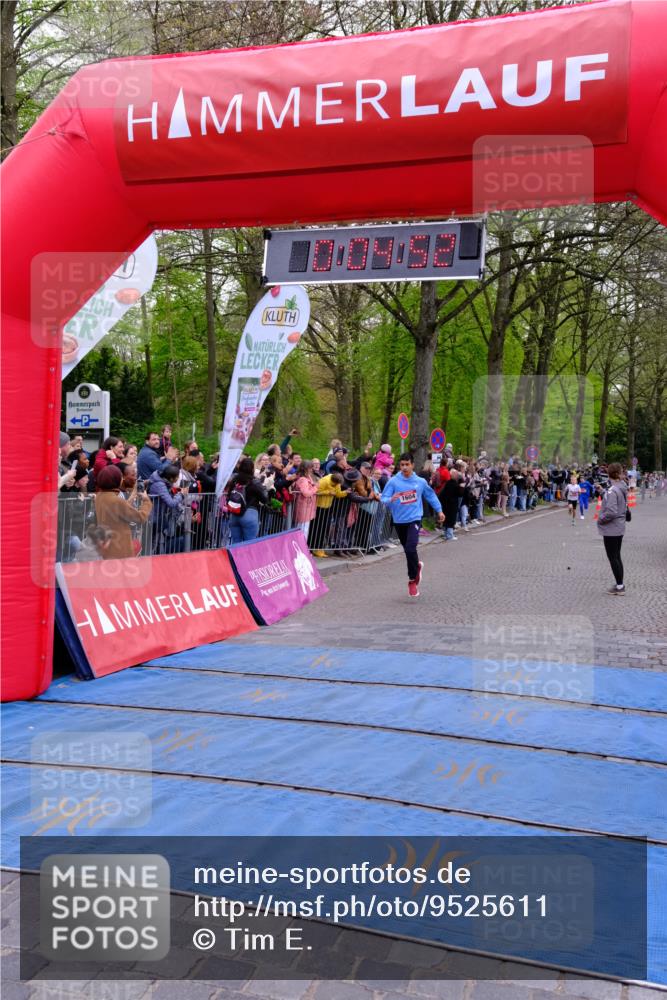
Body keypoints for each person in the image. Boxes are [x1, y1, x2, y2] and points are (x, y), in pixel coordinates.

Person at [381, 452, 444, 598]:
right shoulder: (393, 481)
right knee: (408, 551)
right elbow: (383, 498)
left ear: (412, 465)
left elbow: (430, 495)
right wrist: (390, 499)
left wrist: (439, 510)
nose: (404, 467)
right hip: (399, 520)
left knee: (411, 547)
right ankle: (417, 566)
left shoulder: (420, 482)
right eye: (402, 465)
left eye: (407, 464)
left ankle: (412, 580)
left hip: (414, 519)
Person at [94, 465, 153, 559]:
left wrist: (133, 494)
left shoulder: (100, 496)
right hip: (120, 549)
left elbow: (120, 510)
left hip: (107, 546)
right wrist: (146, 501)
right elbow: (140, 517)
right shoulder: (115, 501)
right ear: (116, 480)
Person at [597, 462, 628, 595]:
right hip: (619, 526)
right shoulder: (621, 486)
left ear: (609, 474)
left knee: (613, 557)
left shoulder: (612, 490)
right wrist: (602, 492)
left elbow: (611, 512)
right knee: (617, 556)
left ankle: (620, 587)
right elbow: (615, 497)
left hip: (611, 528)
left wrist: (600, 519)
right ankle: (620, 584)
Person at [226, 457, 268, 544]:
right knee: (249, 544)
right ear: (252, 469)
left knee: (235, 544)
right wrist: (266, 489)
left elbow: (229, 495)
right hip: (249, 514)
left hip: (235, 515)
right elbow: (264, 499)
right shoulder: (254, 482)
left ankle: (234, 554)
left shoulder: (234, 481)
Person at [147, 464, 187, 554]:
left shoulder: (162, 482)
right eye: (177, 477)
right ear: (172, 478)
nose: (178, 479)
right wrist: (181, 494)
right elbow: (171, 503)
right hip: (153, 518)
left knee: (155, 542)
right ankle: (149, 559)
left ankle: (153, 558)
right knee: (151, 543)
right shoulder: (160, 485)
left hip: (156, 517)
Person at [292, 461, 319, 541]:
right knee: (302, 529)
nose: (311, 470)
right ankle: (301, 546)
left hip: (306, 507)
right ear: (305, 469)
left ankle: (301, 545)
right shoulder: (303, 479)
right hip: (303, 508)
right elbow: (306, 493)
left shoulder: (306, 477)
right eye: (310, 468)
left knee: (304, 529)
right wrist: (315, 488)